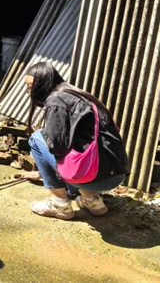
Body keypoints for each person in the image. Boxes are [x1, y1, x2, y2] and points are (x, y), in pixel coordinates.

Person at [23, 62, 128, 220]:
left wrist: (49, 126)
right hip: (116, 175)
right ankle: (93, 202)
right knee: (78, 150)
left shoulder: (56, 101)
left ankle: (60, 204)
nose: (29, 91)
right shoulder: (77, 94)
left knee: (36, 139)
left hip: (93, 179)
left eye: (31, 86)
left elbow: (55, 147)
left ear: (43, 83)